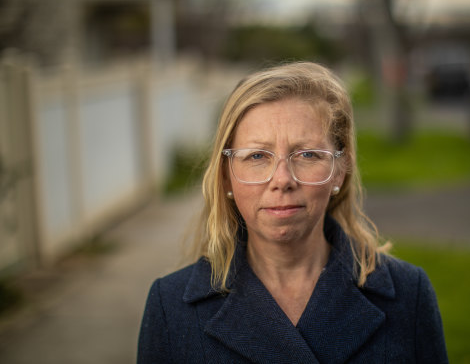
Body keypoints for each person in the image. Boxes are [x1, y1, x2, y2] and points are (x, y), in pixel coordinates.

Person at [138, 62, 448, 363]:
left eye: (307, 154)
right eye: (258, 155)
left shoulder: (408, 294)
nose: (283, 180)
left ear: (340, 170)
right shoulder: (170, 307)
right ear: (226, 175)